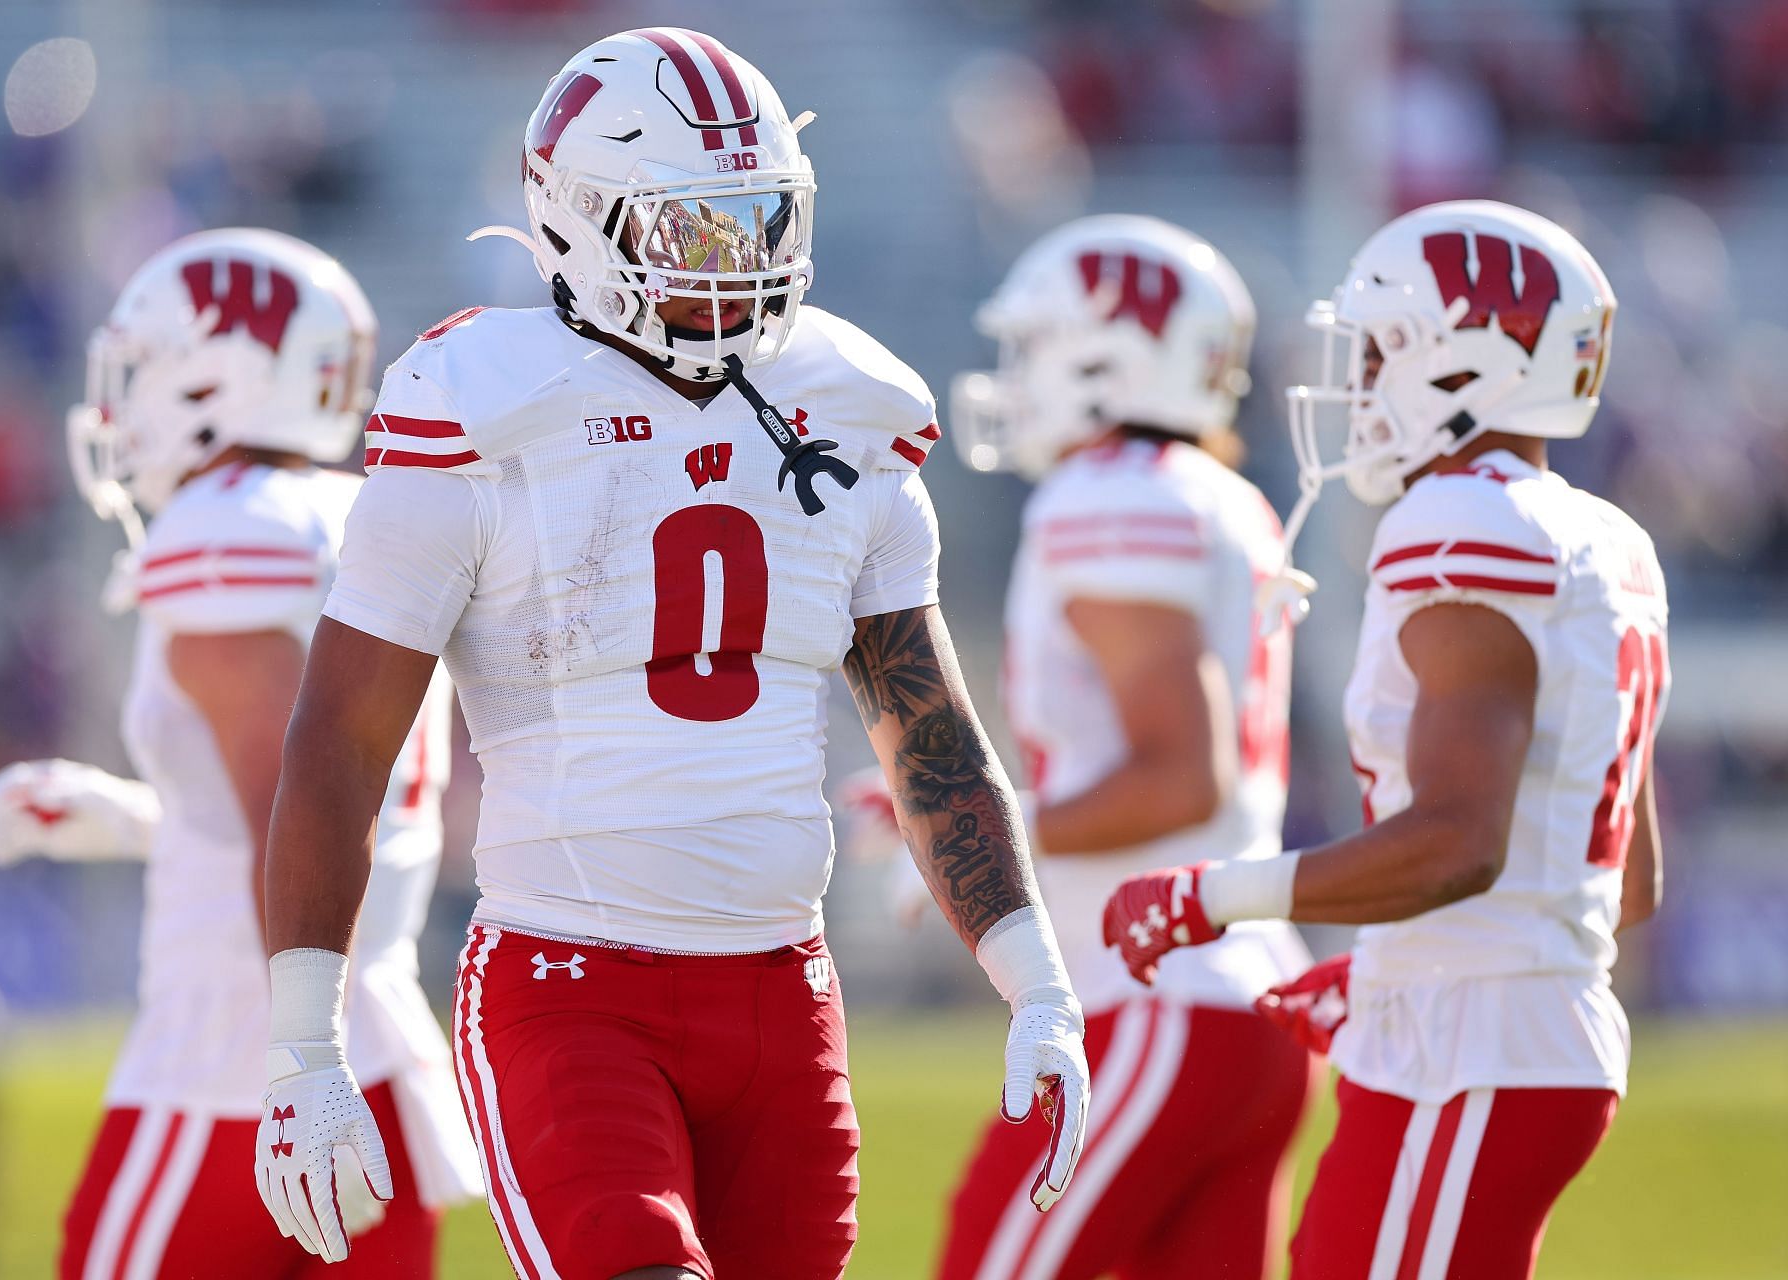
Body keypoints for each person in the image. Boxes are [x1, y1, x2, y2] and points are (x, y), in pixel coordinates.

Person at [246, 28, 1091, 1280]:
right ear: (583, 225)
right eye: (696, 229)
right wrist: (300, 1047)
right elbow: (342, 738)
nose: (740, 263)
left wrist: (1037, 980)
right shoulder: (482, 402)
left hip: (784, 993)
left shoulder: (845, 408)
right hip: (568, 983)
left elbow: (927, 730)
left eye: (758, 221)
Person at [1102, 200, 1667, 1279]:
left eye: (1376, 352)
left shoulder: (1462, 525)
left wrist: (1215, 895)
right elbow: (1622, 881)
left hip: (1476, 1050)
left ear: (1463, 366)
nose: (1355, 383)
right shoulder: (1606, 537)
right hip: (1510, 1035)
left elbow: (1461, 841)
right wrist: (1388, 967)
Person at [0, 228, 479, 1279]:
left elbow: (285, 794)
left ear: (217, 377)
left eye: (147, 370)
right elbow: (323, 798)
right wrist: (138, 816)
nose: (124, 405)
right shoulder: (362, 514)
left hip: (242, 1061)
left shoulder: (221, 529)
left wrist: (296, 1053)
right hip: (372, 1048)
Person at [929, 215, 1313, 1278]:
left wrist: (971, 840)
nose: (1018, 374)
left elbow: (1182, 777)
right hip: (1237, 997)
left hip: (1157, 999)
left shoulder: (1109, 495)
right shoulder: (1215, 495)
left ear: (1109, 356)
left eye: (1038, 346)